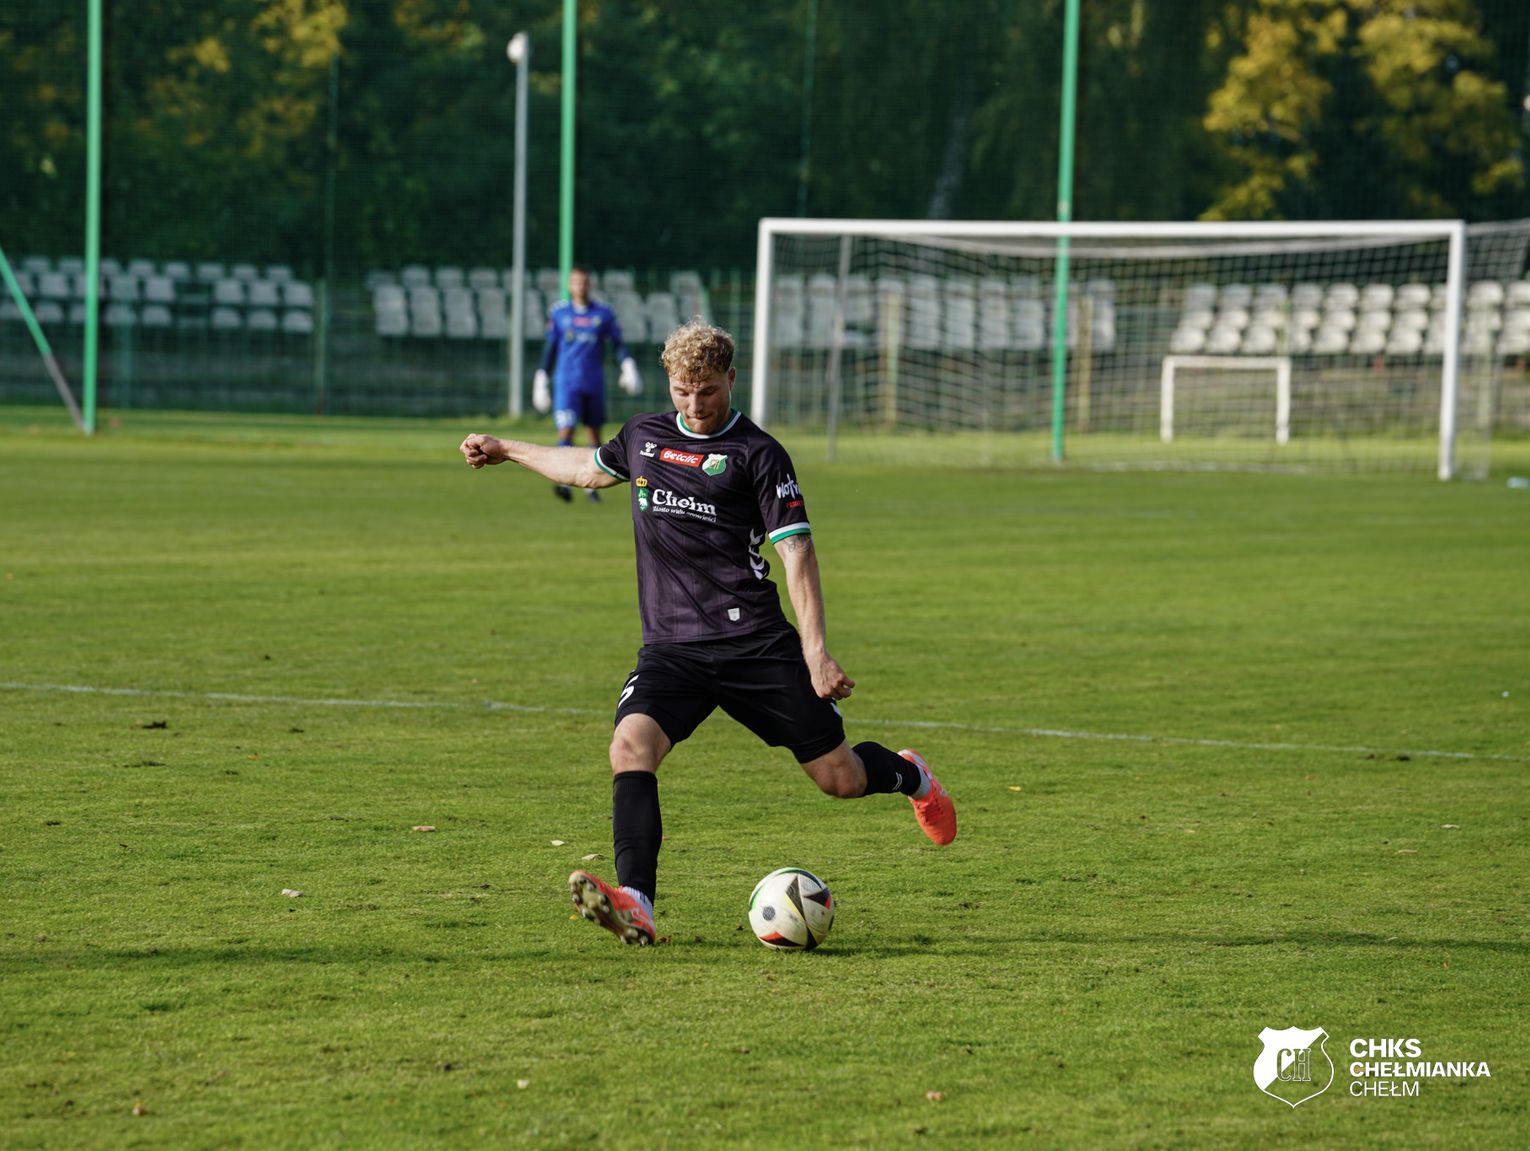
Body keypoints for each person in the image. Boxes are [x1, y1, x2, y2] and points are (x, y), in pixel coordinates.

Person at [460, 319, 955, 947]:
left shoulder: (759, 454)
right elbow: (587, 468)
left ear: (731, 379)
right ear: (670, 382)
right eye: (683, 392)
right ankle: (636, 901)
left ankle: (910, 775)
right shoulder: (643, 435)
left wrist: (817, 653)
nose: (695, 406)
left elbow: (796, 553)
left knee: (841, 779)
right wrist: (509, 449)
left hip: (755, 645)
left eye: (709, 392)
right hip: (671, 649)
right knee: (629, 750)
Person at [532, 266, 641, 504]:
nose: (580, 286)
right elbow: (549, 350)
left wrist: (628, 366)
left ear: (589, 285)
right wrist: (541, 379)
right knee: (566, 430)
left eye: (584, 282)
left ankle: (591, 485)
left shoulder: (603, 314)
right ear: (570, 285)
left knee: (594, 434)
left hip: (593, 383)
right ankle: (563, 482)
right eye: (576, 282)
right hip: (567, 384)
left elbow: (618, 344)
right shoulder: (559, 314)